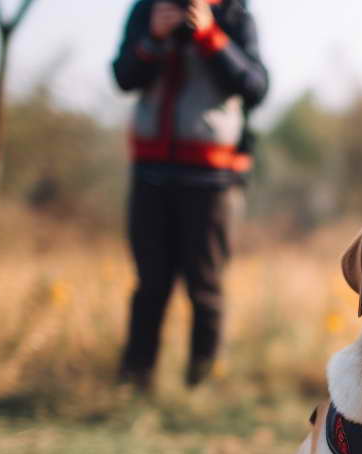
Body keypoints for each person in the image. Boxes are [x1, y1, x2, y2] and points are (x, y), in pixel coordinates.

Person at [112, 0, 268, 390]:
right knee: (150, 284)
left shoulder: (234, 15)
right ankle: (134, 381)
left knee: (206, 286)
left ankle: (201, 384)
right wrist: (153, 39)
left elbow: (255, 86)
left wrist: (210, 36)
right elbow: (124, 76)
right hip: (150, 174)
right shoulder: (147, 9)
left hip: (213, 180)